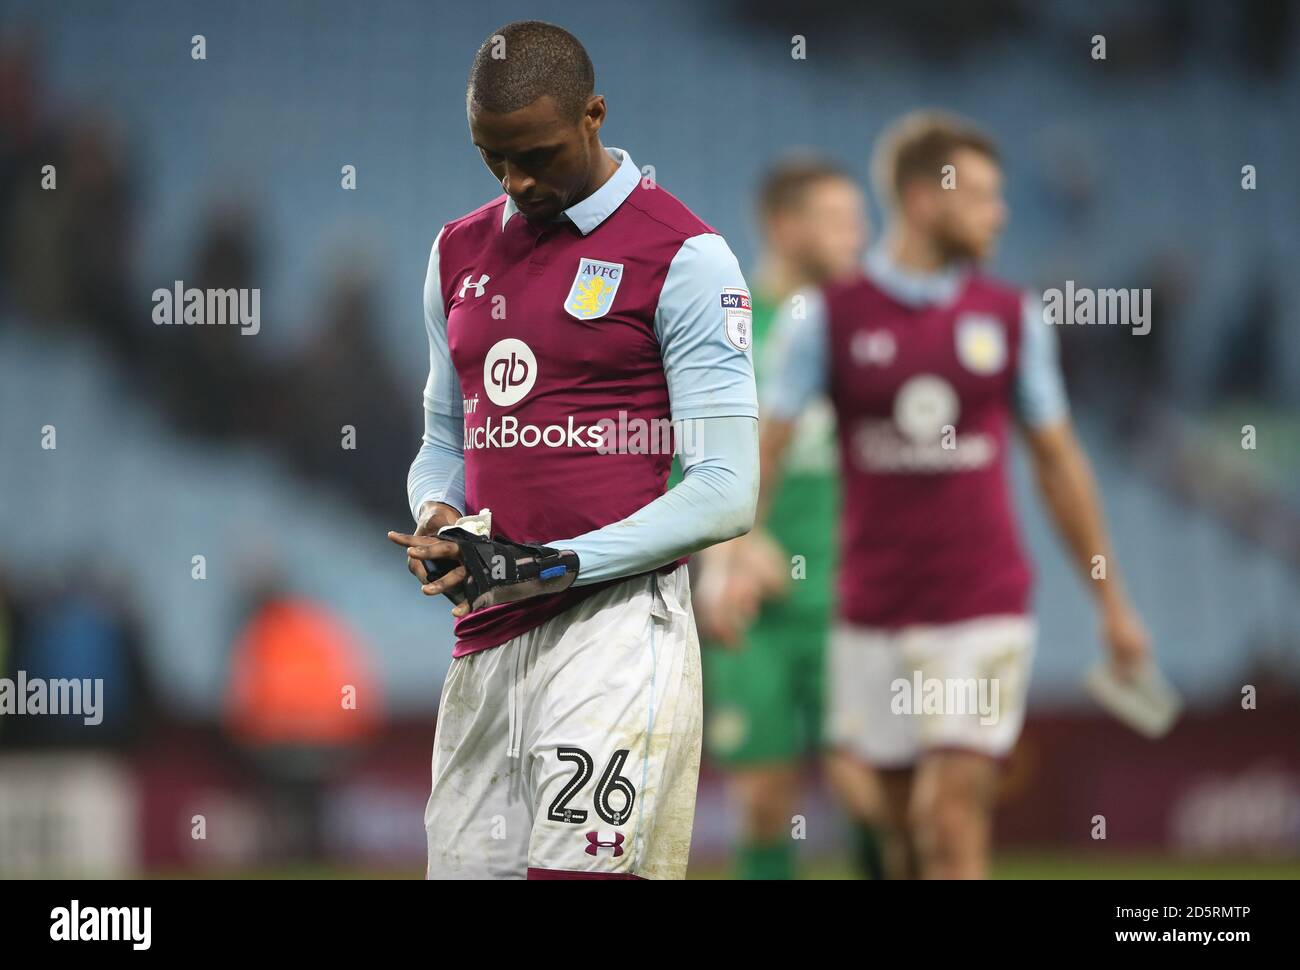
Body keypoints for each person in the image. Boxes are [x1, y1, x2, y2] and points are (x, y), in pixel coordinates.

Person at [387, 21, 759, 880]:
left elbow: (728, 488)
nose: (517, 182)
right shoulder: (455, 253)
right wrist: (438, 514)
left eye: (537, 156)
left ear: (595, 116)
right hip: (487, 635)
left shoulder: (686, 257)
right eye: (492, 160)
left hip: (616, 629)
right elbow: (445, 439)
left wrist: (555, 565)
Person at [747, 111, 1151, 879]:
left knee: (950, 814)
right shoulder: (822, 321)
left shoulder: (1010, 319)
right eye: (984, 196)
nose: (1000, 213)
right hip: (870, 610)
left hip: (982, 604)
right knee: (899, 831)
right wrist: (744, 542)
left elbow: (1059, 463)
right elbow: (769, 448)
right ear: (927, 200)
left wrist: (1112, 604)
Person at [692, 156, 872, 879]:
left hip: (855, 599)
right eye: (839, 222)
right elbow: (685, 454)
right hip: (755, 603)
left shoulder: (867, 328)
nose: (859, 238)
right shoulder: (724, 329)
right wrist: (731, 542)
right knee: (765, 800)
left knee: (871, 794)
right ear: (783, 226)